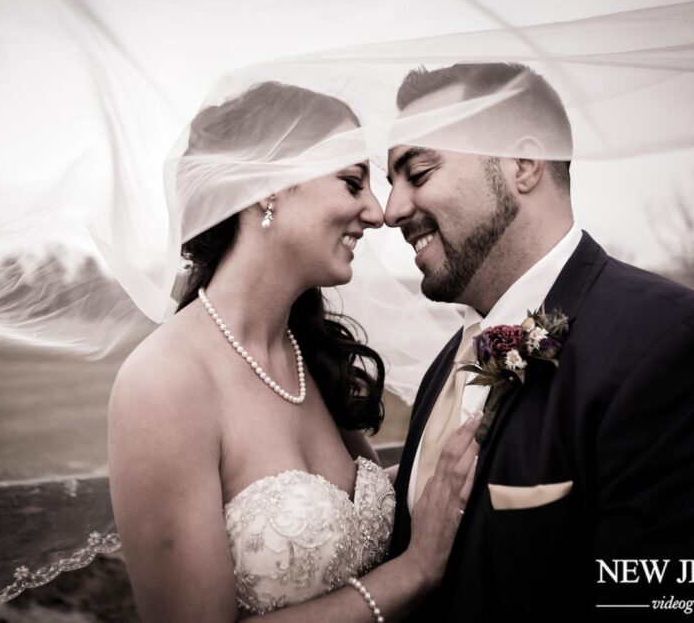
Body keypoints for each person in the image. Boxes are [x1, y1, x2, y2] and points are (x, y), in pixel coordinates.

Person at [384, 63, 694, 621]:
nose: (391, 211)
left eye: (417, 173)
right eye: (391, 184)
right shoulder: (451, 362)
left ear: (522, 164)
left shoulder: (691, 358)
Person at [108, 81, 480, 622]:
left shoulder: (311, 355)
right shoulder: (164, 382)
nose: (377, 212)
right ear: (268, 187)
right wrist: (414, 571)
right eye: (352, 182)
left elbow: (349, 516)